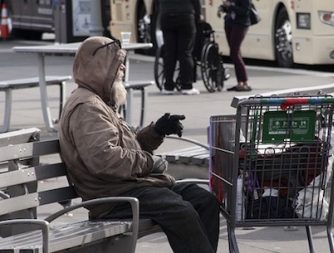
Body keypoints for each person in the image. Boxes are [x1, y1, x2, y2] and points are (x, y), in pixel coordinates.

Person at [58, 36, 220, 253]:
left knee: (204, 200)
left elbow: (126, 147)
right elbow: (104, 159)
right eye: (117, 62)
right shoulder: (87, 107)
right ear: (99, 67)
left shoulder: (99, 100)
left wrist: (156, 132)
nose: (123, 67)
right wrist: (149, 163)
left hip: (130, 185)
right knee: (181, 211)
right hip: (111, 197)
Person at [159, 0, 202, 95]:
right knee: (185, 52)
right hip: (185, 16)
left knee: (169, 53)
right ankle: (186, 86)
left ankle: (168, 86)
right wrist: (199, 14)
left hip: (166, 16)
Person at [218, 0, 252, 92]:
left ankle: (245, 82)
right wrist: (223, 8)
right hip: (230, 23)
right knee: (235, 53)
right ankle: (240, 82)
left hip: (240, 24)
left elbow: (245, 11)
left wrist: (230, 6)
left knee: (234, 52)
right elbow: (229, 8)